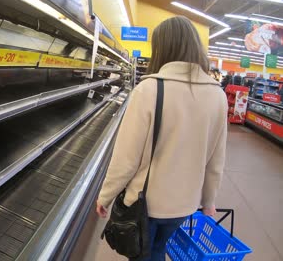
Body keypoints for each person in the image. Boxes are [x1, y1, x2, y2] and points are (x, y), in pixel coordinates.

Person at [96, 16, 228, 261]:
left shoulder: (149, 90)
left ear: (161, 48)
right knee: (157, 249)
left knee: (145, 253)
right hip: (184, 204)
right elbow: (215, 161)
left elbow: (126, 158)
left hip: (146, 204)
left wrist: (106, 195)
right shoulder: (217, 96)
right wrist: (209, 201)